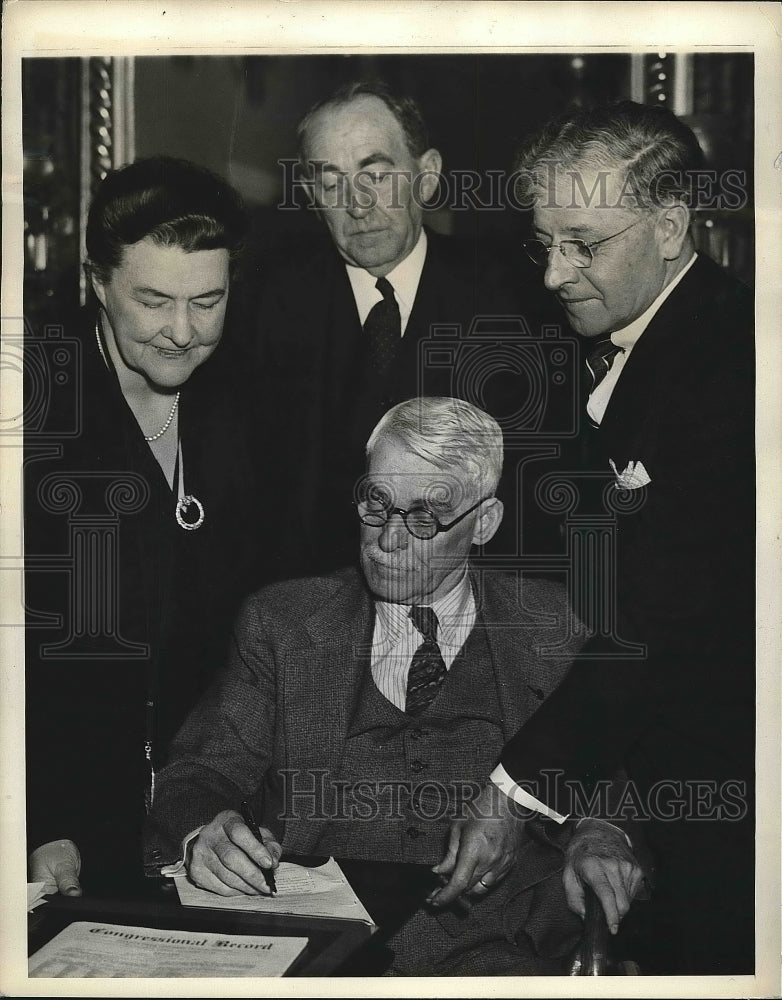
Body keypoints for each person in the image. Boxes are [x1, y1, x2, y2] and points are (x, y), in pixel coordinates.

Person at [145, 397, 644, 976]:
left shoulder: (553, 627)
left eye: (426, 517)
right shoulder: (282, 622)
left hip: (504, 950)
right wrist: (203, 830)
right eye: (376, 504)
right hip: (322, 947)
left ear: (484, 523)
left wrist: (603, 832)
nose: (388, 540)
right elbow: (195, 774)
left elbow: (611, 778)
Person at [430, 101, 755, 975]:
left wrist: (513, 790)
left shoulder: (735, 363)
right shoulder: (588, 341)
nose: (553, 276)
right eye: (544, 244)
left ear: (673, 225)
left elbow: (661, 617)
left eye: (584, 243)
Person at [25, 157, 271, 896]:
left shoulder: (246, 399)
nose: (182, 332)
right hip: (58, 819)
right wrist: (35, 820)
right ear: (97, 281)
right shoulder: (33, 401)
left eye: (208, 300)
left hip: (206, 821)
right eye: (154, 300)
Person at [253, 79, 550, 576]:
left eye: (377, 175)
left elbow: (534, 497)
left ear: (427, 176)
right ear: (310, 195)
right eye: (331, 183)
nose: (357, 204)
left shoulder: (515, 300)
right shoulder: (264, 306)